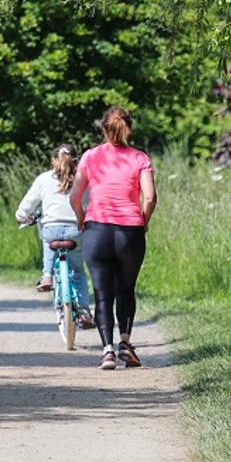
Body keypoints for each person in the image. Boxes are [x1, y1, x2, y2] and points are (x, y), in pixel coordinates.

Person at [70, 107, 157, 370]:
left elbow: (75, 195)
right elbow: (150, 197)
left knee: (102, 292)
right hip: (129, 231)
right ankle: (125, 343)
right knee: (126, 289)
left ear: (104, 129)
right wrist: (143, 221)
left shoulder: (90, 156)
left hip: (97, 230)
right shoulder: (140, 158)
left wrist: (81, 218)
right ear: (129, 128)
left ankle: (107, 351)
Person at [15, 144, 94, 329]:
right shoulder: (84, 179)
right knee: (78, 270)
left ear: (53, 160)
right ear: (76, 160)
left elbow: (25, 207)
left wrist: (22, 217)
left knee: (48, 234)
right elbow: (90, 204)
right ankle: (84, 311)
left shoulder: (43, 179)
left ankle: (47, 275)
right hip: (75, 231)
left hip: (52, 231)